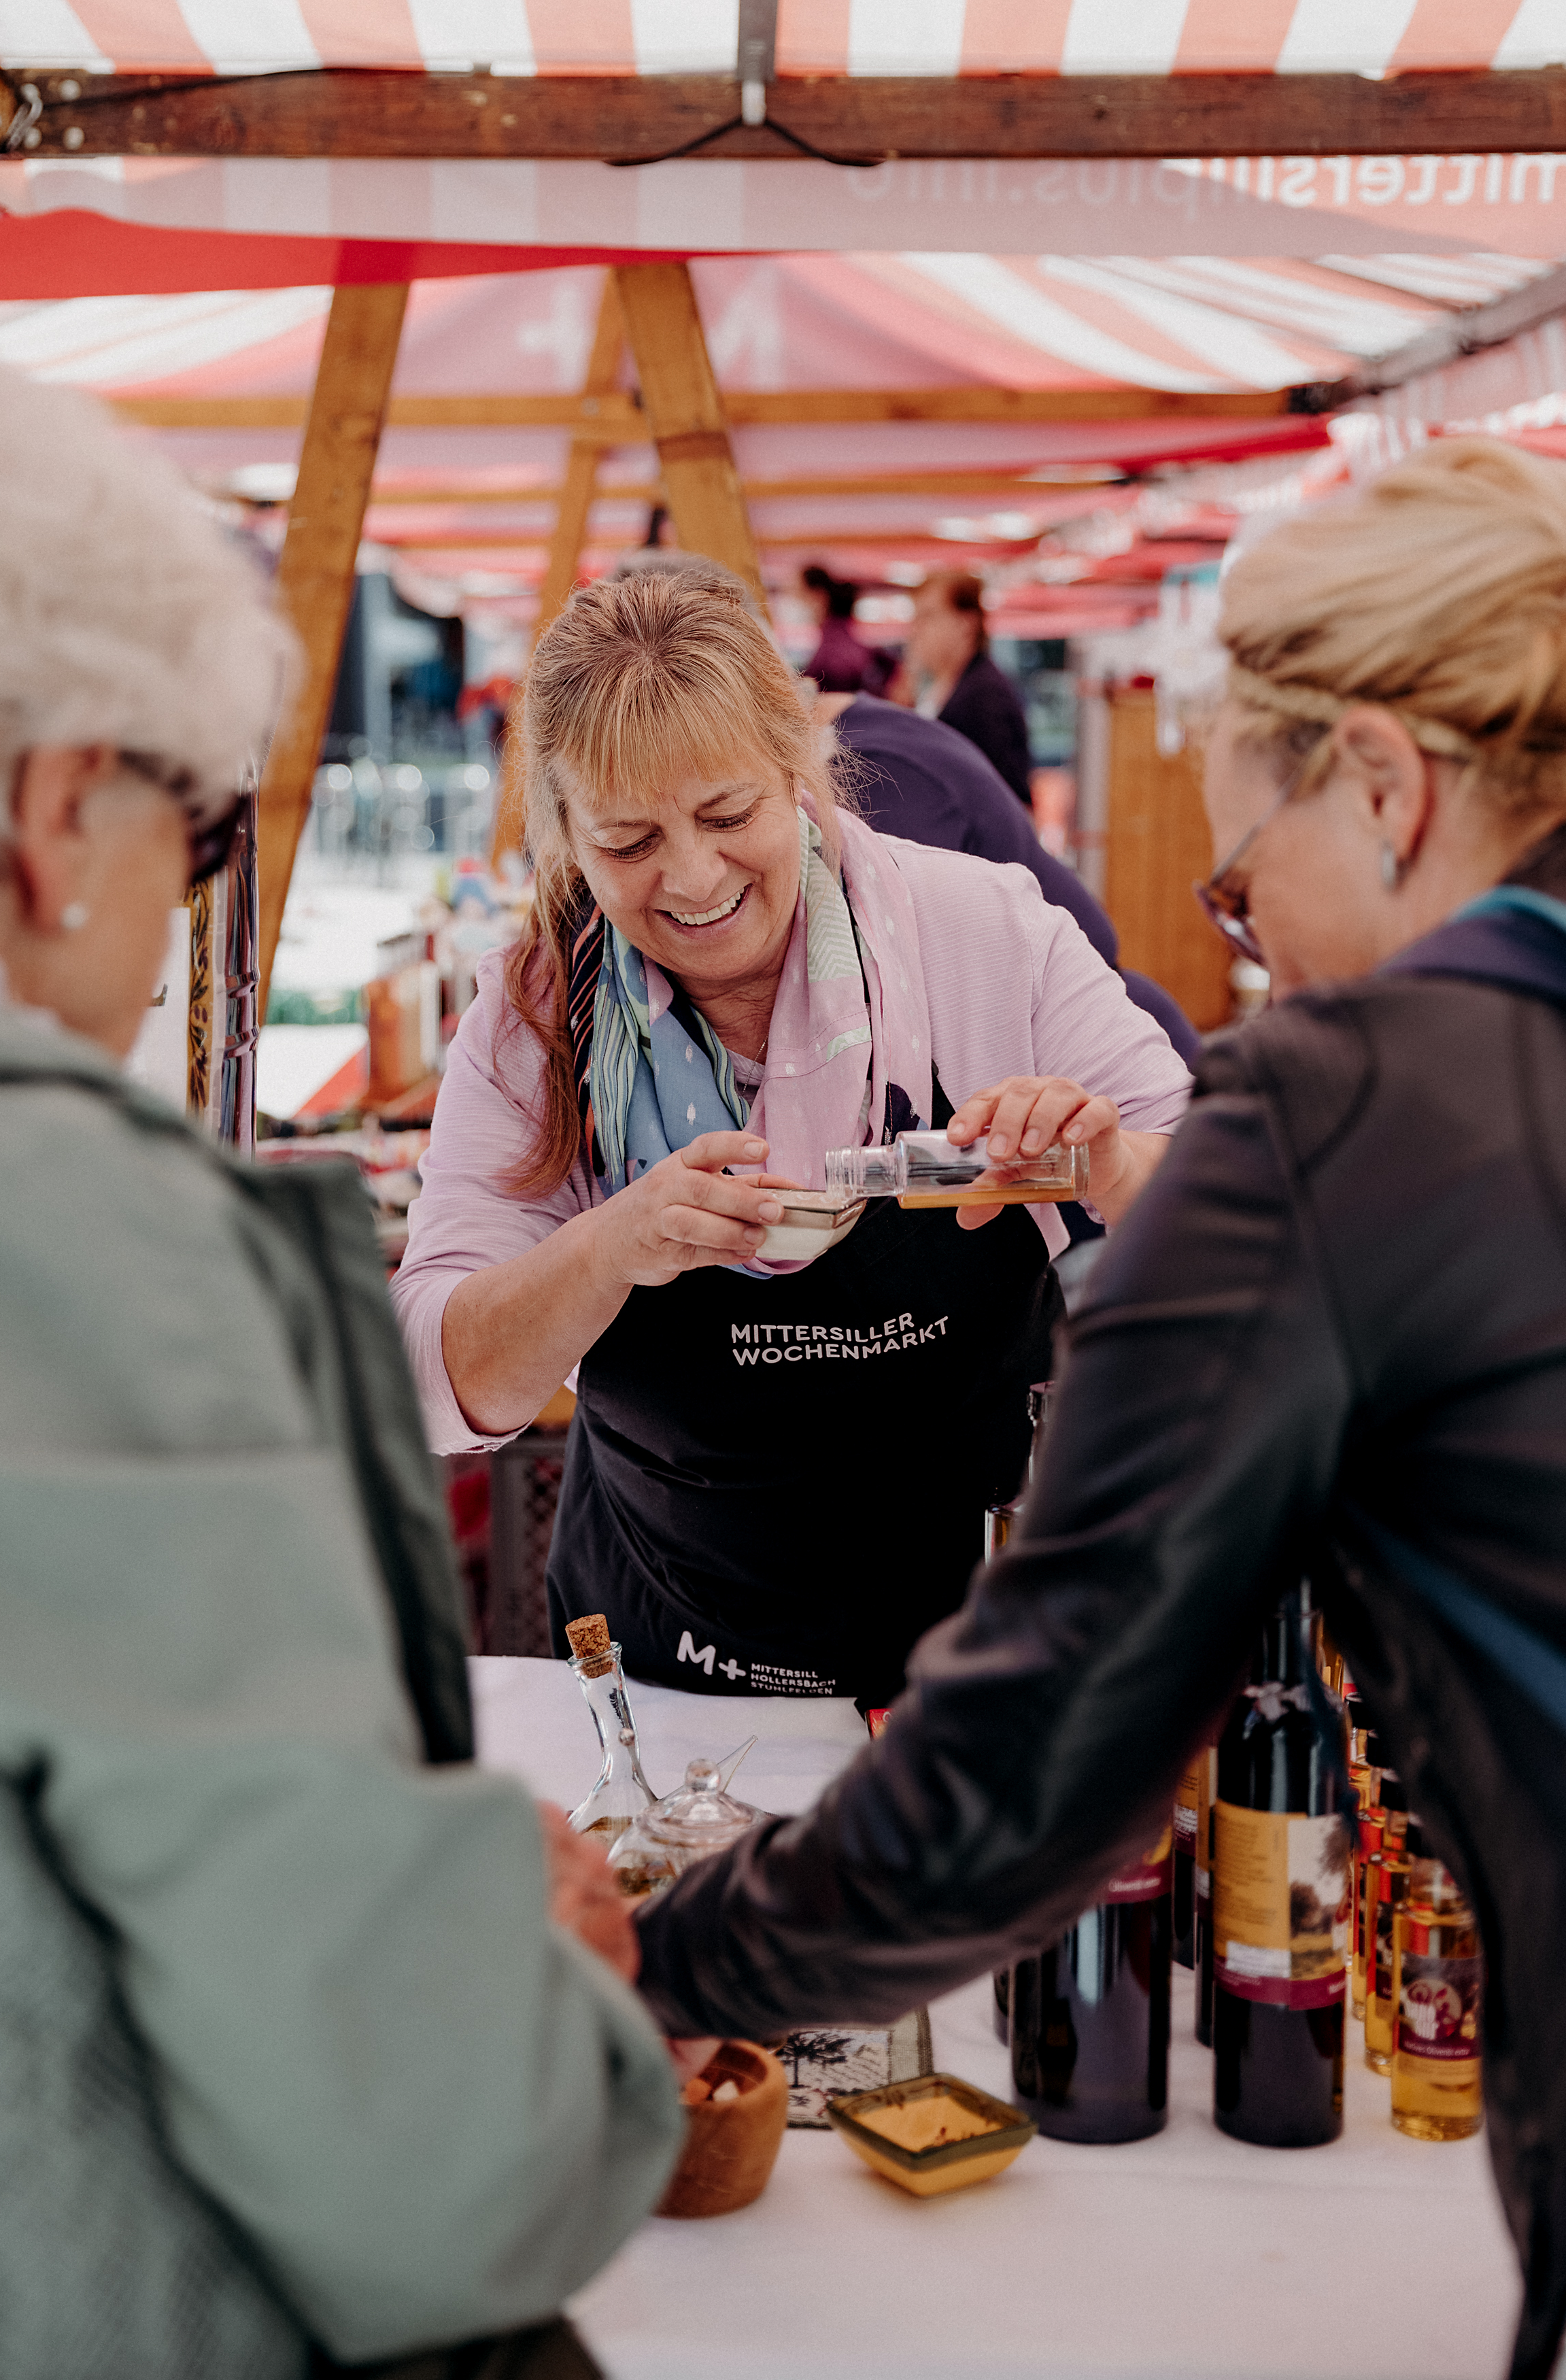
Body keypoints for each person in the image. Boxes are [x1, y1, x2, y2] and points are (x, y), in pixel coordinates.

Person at [633, 439, 1566, 2380]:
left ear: (1386, 788)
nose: (1254, 957)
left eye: (1238, 889)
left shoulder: (1336, 1106)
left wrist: (647, 1958)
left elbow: (1018, 1783)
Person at [0, 354, 679, 2379]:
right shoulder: (60, 1215)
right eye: (198, 831)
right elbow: (417, 2153)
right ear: (55, 812)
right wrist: (521, 1986)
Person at [395, 569, 1191, 1707]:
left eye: (727, 816)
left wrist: (1106, 1166)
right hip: (670, 1686)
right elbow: (433, 1384)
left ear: (798, 774)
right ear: (565, 835)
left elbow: (1228, 1216)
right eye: (628, 842)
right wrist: (609, 1244)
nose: (692, 877)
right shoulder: (533, 1023)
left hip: (983, 1678)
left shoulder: (985, 938)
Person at [827, 687, 1201, 1066]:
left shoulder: (874, 769)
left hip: (1096, 1047)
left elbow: (907, 980)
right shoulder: (879, 733)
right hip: (1090, 1030)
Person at [906, 569, 1034, 806]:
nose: (916, 630)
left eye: (928, 616)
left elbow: (1007, 796)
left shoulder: (984, 696)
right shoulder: (952, 686)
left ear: (966, 624)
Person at [798, 564, 887, 695]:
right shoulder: (852, 644)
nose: (795, 602)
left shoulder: (832, 653)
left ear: (818, 597)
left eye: (798, 594)